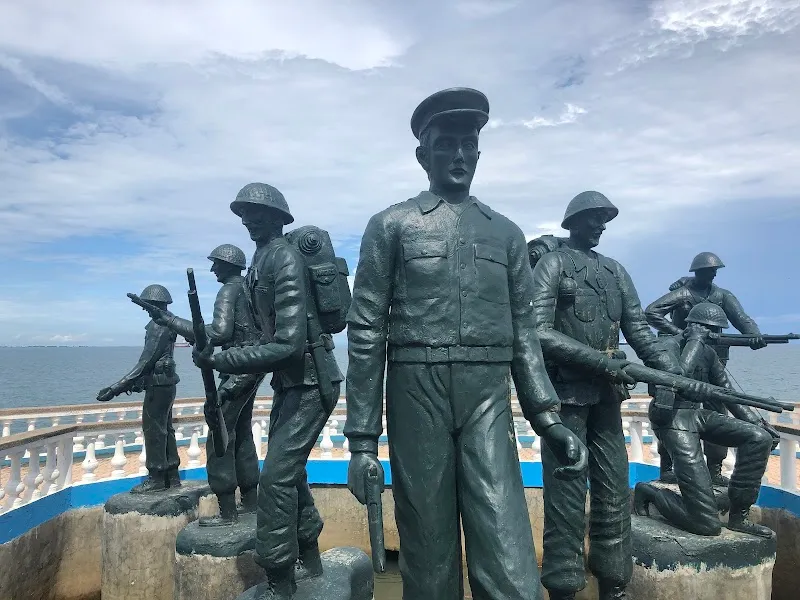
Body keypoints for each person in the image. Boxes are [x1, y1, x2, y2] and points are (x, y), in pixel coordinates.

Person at [344, 87, 588, 600]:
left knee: (506, 546)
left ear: (479, 152)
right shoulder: (391, 226)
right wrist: (362, 443)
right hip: (416, 390)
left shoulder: (507, 234)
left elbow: (525, 332)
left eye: (468, 144)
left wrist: (548, 418)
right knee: (427, 548)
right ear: (422, 155)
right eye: (445, 144)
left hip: (487, 395)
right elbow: (365, 332)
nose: (458, 155)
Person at [530, 191, 684, 600]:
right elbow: (537, 331)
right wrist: (601, 362)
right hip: (566, 399)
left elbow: (639, 331)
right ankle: (563, 588)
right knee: (565, 496)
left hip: (606, 400)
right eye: (593, 218)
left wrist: (670, 371)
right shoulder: (552, 265)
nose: (600, 226)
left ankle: (614, 585)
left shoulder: (615, 271)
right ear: (573, 222)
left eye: (605, 219)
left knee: (614, 494)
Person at [193, 183, 342, 599]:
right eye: (244, 214)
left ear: (278, 218)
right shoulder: (260, 261)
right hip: (289, 381)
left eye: (257, 214)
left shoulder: (284, 259)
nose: (248, 221)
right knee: (290, 474)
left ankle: (279, 579)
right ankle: (310, 558)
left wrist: (221, 362)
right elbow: (262, 336)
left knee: (275, 479)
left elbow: (288, 344)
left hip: (312, 380)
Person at [634, 303, 773, 539]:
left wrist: (757, 422)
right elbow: (677, 377)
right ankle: (650, 493)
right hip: (671, 419)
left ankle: (739, 516)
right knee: (706, 525)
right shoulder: (666, 346)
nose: (715, 335)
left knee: (759, 438)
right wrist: (695, 342)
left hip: (696, 414)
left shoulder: (708, 353)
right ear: (694, 327)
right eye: (711, 329)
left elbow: (728, 393)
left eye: (717, 331)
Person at [148, 244, 264, 525]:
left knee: (219, 438)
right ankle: (251, 502)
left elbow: (219, 332)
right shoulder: (248, 288)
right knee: (242, 435)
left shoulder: (229, 290)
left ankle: (228, 511)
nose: (213, 269)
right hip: (252, 367)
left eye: (216, 264)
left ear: (228, 265)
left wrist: (172, 321)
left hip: (236, 369)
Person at [645, 252, 767, 485]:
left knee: (718, 408)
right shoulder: (683, 293)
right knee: (671, 407)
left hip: (712, 360)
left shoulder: (723, 296)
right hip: (681, 359)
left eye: (714, 271)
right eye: (707, 271)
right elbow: (652, 312)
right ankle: (667, 467)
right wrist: (683, 334)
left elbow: (742, 319)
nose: (711, 275)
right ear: (697, 272)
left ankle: (715, 469)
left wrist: (754, 335)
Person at [97, 284, 180, 493]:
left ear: (153, 304)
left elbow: (145, 362)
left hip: (159, 384)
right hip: (166, 384)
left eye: (146, 305)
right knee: (166, 429)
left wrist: (115, 388)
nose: (144, 309)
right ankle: (172, 475)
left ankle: (157, 477)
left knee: (154, 430)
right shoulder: (169, 321)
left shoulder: (158, 325)